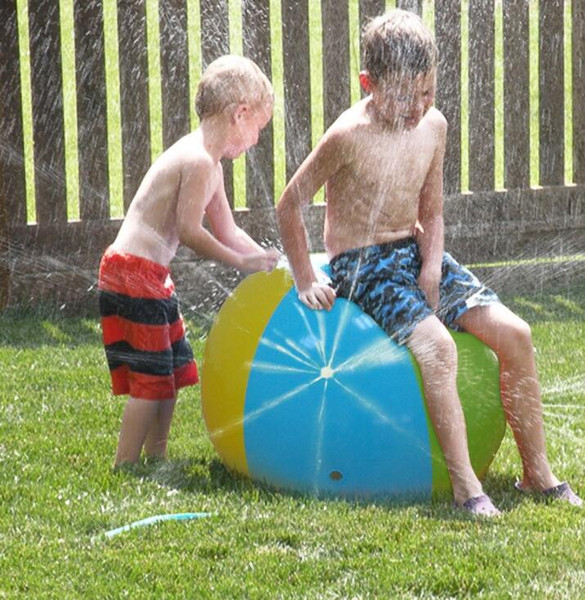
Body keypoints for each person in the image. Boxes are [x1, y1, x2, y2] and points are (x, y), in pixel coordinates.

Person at [275, 10, 581, 515]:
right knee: (438, 348)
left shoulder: (432, 126)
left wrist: (432, 267)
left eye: (427, 92)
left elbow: (432, 212)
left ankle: (538, 474)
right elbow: (290, 203)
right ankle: (466, 488)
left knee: (517, 334)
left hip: (416, 249)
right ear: (368, 84)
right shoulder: (347, 136)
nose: (417, 107)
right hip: (363, 263)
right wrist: (306, 277)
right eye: (403, 97)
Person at [99, 55, 279, 467]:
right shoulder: (197, 160)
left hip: (150, 275)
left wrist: (267, 260)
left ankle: (156, 457)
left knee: (172, 370)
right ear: (240, 114)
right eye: (259, 128)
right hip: (131, 273)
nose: (256, 140)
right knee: (150, 379)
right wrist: (240, 262)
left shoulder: (210, 165)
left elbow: (228, 230)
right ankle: (125, 464)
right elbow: (192, 231)